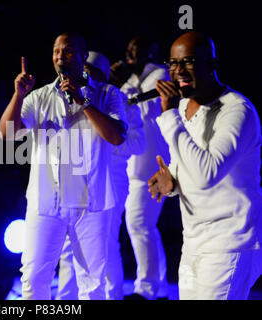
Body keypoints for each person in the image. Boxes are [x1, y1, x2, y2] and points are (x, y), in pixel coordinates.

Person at [0, 33, 127, 300]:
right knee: (34, 278)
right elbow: (8, 134)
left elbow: (116, 136)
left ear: (83, 57)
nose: (60, 56)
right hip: (46, 201)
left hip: (91, 201)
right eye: (56, 51)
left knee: (92, 284)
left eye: (67, 51)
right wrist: (18, 95)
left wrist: (83, 102)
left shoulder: (107, 94)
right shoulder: (39, 97)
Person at [149, 31, 262, 300]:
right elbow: (187, 163)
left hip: (229, 243)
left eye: (188, 62)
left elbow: (207, 174)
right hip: (194, 241)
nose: (178, 71)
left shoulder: (237, 111)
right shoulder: (185, 105)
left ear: (211, 64)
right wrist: (173, 182)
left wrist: (168, 117)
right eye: (173, 63)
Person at [56, 51, 145, 300]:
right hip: (76, 179)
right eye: (80, 69)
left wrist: (108, 143)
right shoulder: (67, 98)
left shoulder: (122, 101)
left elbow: (138, 144)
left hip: (111, 180)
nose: (82, 75)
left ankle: (112, 297)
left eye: (89, 71)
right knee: (68, 247)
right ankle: (66, 301)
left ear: (103, 76)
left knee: (103, 245)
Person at [111, 36, 171, 300]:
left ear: (152, 50)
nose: (130, 51)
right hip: (133, 168)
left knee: (139, 224)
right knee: (142, 226)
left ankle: (147, 290)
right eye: (129, 47)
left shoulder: (161, 73)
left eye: (138, 46)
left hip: (152, 167)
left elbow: (147, 111)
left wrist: (122, 86)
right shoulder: (130, 81)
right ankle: (157, 288)